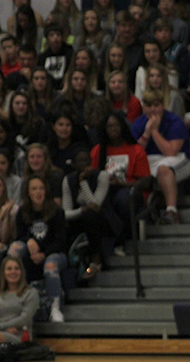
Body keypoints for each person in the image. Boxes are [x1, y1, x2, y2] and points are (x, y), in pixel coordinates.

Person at [90, 112, 151, 256]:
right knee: (98, 200)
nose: (113, 128)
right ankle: (117, 239)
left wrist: (121, 182)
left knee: (122, 199)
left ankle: (120, 239)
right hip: (106, 190)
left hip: (131, 190)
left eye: (116, 125)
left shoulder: (136, 150)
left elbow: (146, 183)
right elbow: (92, 177)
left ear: (122, 127)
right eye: (109, 126)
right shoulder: (98, 150)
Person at [10, 174, 67, 322]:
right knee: (14, 249)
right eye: (34, 189)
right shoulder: (23, 211)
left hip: (54, 253)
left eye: (41, 188)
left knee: (50, 265)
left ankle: (55, 308)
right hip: (32, 252)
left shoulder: (56, 211)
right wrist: (28, 240)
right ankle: (12, 299)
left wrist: (43, 254)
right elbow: (19, 236)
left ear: (46, 191)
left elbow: (61, 241)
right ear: (28, 192)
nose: (38, 192)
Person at [130, 90, 190, 224]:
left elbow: (171, 151)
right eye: (148, 106)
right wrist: (146, 134)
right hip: (150, 159)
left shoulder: (175, 121)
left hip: (178, 159)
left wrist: (154, 131)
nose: (152, 110)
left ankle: (171, 211)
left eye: (156, 105)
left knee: (164, 169)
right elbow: (135, 153)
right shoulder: (138, 123)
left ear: (163, 105)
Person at [61, 150, 108, 279]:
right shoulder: (68, 180)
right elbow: (66, 213)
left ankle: (96, 261)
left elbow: (95, 206)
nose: (85, 164)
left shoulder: (102, 176)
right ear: (74, 164)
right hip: (80, 220)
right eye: (80, 161)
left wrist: (82, 181)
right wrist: (81, 210)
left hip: (102, 220)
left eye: (87, 160)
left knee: (90, 214)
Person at [0, 256, 39, 347]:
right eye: (9, 269)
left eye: (16, 269)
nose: (13, 272)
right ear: (3, 273)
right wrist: (2, 330)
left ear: (21, 272)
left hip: (17, 335)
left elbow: (24, 319)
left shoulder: (30, 293)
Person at [0, 172, 15, 290]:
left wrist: (6, 215)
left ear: (4, 188)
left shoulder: (13, 209)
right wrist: (1, 214)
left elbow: (6, 238)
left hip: (5, 247)